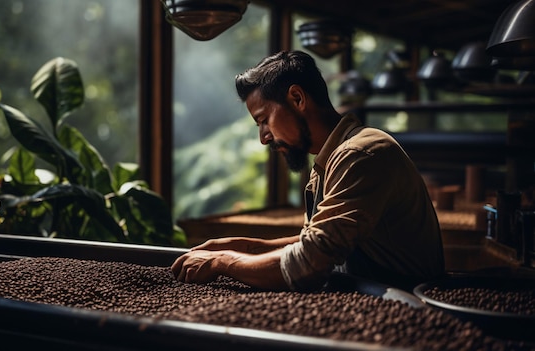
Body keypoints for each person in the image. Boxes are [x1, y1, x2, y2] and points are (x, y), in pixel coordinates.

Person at [171, 50, 445, 292]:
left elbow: (309, 262)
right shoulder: (329, 160)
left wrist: (225, 262)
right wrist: (245, 247)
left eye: (264, 120)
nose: (263, 138)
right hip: (366, 294)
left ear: (297, 98)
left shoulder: (359, 154)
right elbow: (315, 240)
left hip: (403, 306)